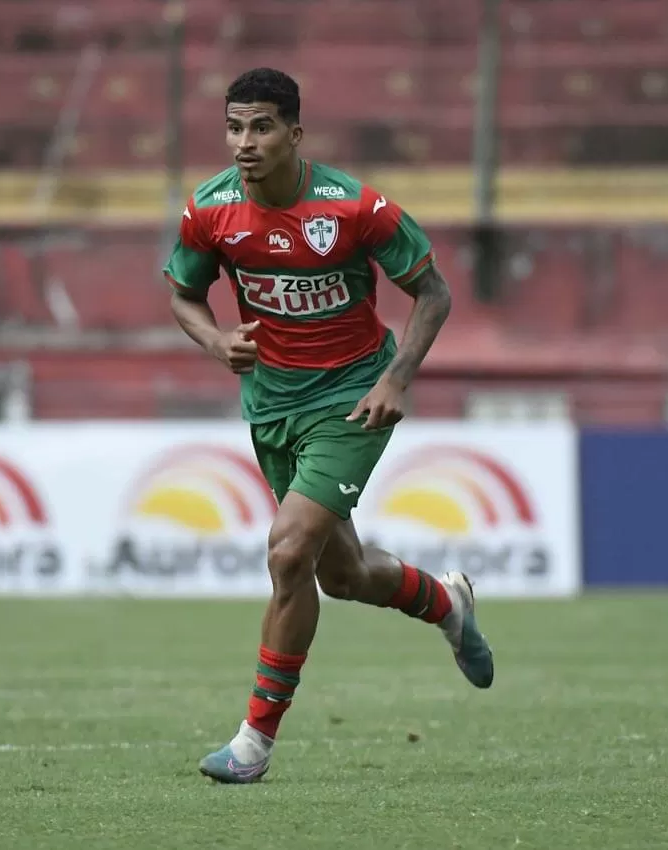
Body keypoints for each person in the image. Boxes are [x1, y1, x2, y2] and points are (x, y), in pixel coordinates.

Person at [162, 67, 494, 784]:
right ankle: (447, 604)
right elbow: (184, 294)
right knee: (341, 574)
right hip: (270, 406)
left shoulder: (353, 207)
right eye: (234, 127)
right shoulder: (210, 210)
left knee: (287, 554)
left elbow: (433, 293)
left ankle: (253, 743)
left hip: (351, 400)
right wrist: (216, 340)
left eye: (261, 127)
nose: (244, 143)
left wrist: (395, 378)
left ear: (294, 134)